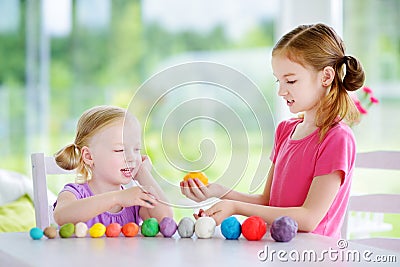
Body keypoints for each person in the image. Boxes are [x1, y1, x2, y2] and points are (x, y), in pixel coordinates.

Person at [180, 23, 365, 238]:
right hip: (277, 249)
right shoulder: (285, 131)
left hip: (312, 254)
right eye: (279, 80)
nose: (280, 90)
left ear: (325, 77)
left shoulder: (337, 138)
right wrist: (221, 193)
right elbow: (267, 203)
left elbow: (308, 218)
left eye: (291, 80)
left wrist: (237, 207)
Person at [53, 105, 173, 227]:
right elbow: (61, 216)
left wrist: (142, 174)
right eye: (120, 150)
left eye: (137, 149)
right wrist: (117, 198)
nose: (132, 157)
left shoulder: (134, 200)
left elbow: (166, 220)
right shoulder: (76, 193)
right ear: (89, 156)